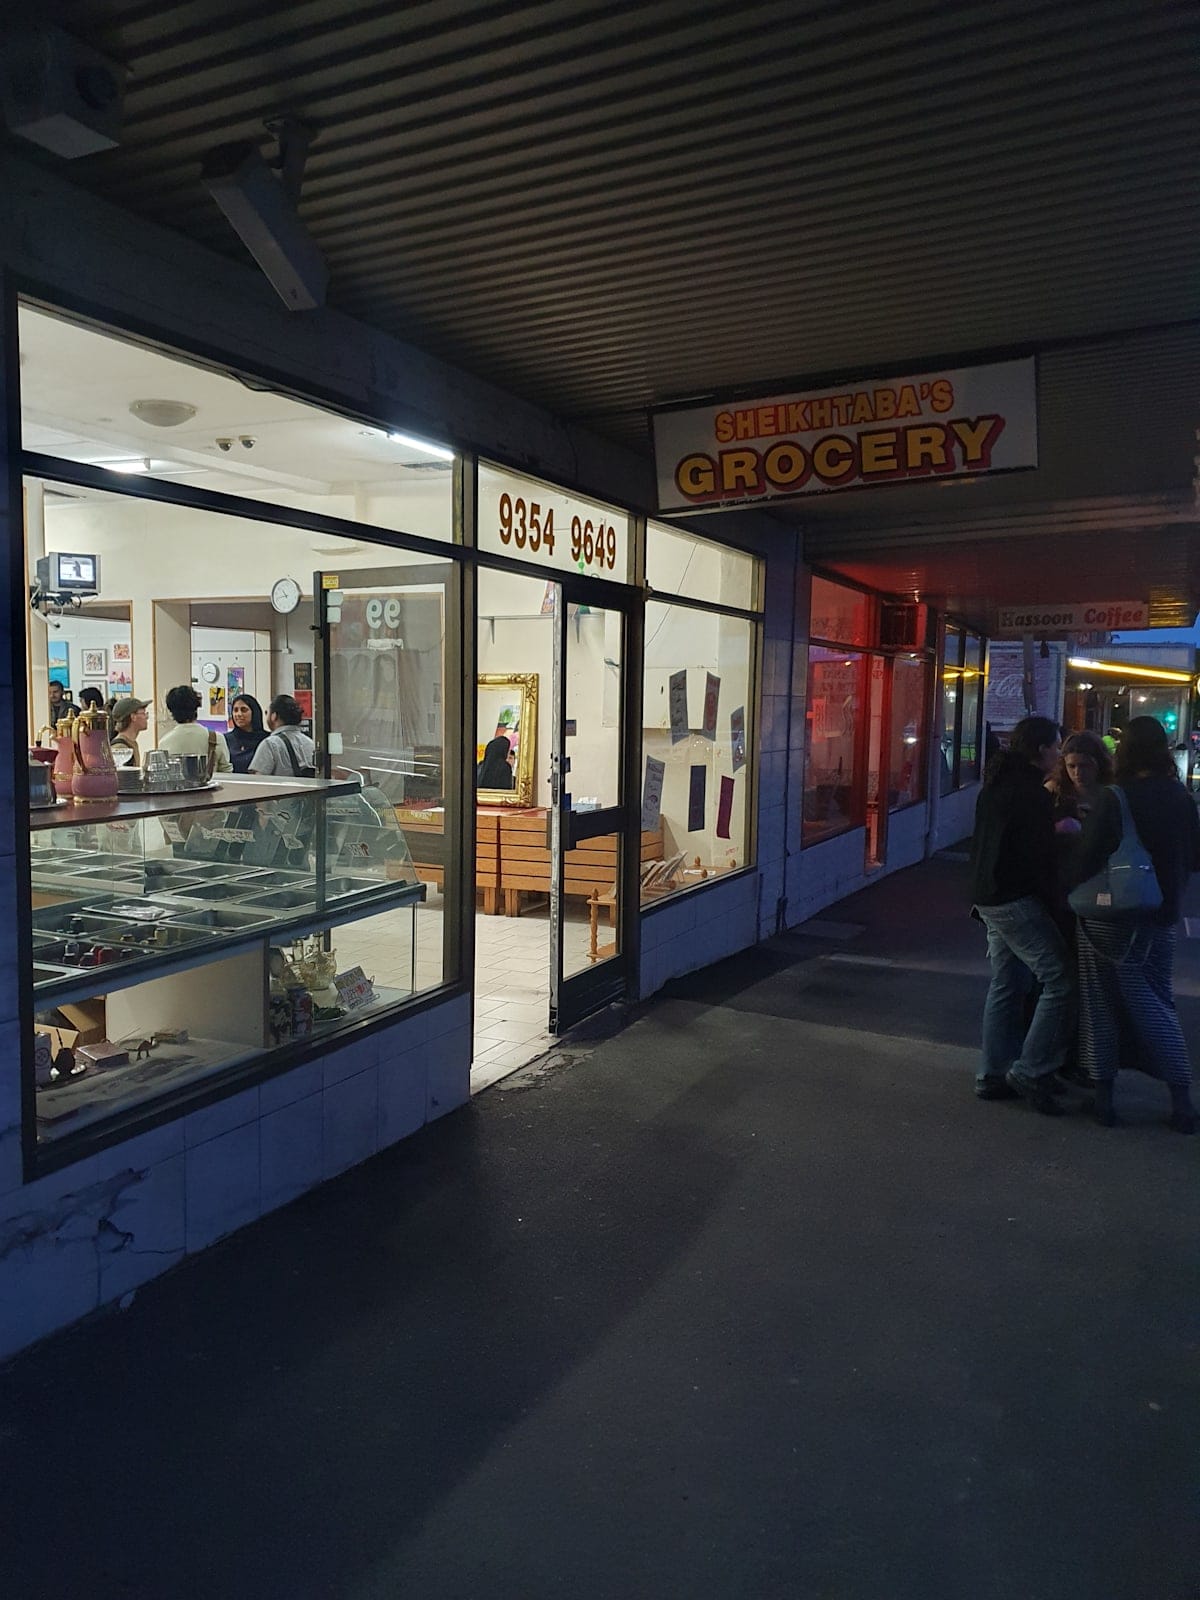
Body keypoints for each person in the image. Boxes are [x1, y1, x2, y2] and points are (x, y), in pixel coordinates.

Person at [1069, 715, 1199, 1133]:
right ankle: (1181, 1099)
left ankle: (1104, 1099)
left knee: (1101, 1002)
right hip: (1161, 915)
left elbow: (1086, 859)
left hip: (1110, 915)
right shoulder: (1181, 796)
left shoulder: (1116, 797)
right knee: (1157, 999)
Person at [968, 715, 1073, 1113]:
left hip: (987, 895)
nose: (1061, 755)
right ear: (1042, 749)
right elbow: (1034, 856)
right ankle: (1030, 1070)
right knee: (1061, 980)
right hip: (1013, 898)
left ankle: (992, 1073)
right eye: (1058, 748)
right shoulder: (1031, 793)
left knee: (1009, 982)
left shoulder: (996, 785)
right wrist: (1060, 831)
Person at [158, 684, 233, 772]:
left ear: (171, 710)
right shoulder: (216, 738)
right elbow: (227, 773)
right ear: (196, 707)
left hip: (177, 786)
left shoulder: (164, 743)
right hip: (210, 785)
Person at [249, 694, 317, 777]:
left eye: (267, 712)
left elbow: (258, 780)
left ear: (274, 716)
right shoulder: (310, 742)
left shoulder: (270, 744)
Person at [225, 693, 268, 774]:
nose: (239, 714)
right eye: (235, 710)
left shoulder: (267, 740)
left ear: (254, 712)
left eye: (244, 710)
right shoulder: (226, 740)